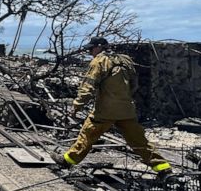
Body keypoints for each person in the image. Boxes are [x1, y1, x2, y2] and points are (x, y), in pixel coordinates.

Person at [52, 37, 172, 177]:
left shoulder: (99, 61)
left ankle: (67, 161)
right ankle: (163, 168)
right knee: (139, 142)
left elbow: (88, 87)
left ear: (99, 47)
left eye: (91, 48)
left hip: (105, 111)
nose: (90, 51)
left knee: (86, 136)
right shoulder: (126, 60)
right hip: (126, 110)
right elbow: (134, 85)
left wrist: (76, 106)